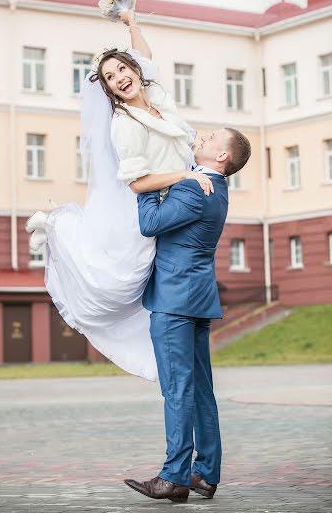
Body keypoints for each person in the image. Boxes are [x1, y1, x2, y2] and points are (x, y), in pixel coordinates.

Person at [25, 9, 212, 381]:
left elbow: (145, 54)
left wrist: (131, 24)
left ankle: (57, 223)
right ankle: (58, 224)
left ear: (135, 72)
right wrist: (186, 176)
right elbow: (138, 183)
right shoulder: (124, 124)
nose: (119, 78)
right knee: (119, 281)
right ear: (108, 90)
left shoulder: (156, 94)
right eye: (109, 78)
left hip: (168, 198)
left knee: (133, 279)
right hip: (142, 203)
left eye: (122, 70)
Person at [124, 127, 251, 503]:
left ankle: (175, 476)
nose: (204, 135)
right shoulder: (216, 188)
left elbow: (150, 224)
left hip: (175, 301)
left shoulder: (195, 186)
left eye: (213, 137)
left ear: (222, 156)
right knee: (199, 390)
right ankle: (205, 474)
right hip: (195, 298)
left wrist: (147, 186)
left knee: (178, 388)